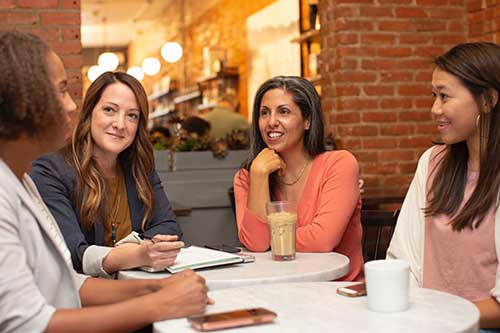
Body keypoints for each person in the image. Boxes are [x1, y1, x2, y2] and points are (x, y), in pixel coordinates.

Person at [0, 30, 209, 333]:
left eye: (132, 116)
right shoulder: (31, 178)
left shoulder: (21, 182)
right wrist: (158, 303)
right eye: (60, 91)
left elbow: (71, 282)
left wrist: (156, 288)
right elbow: (25, 322)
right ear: (22, 102)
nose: (71, 106)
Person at [387, 42, 500, 330]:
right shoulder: (433, 162)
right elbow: (403, 259)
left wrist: (440, 314)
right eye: (433, 95)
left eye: (445, 96)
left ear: (488, 100)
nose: (435, 109)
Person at [30, 71, 183, 278]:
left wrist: (139, 251)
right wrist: (138, 254)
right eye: (110, 110)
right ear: (89, 112)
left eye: (132, 116)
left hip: (138, 288)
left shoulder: (140, 167)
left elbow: (169, 228)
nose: (120, 124)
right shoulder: (50, 171)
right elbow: (72, 252)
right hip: (83, 299)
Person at [233, 76, 363, 281]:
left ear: (307, 121)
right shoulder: (247, 177)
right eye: (264, 113)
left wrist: (271, 240)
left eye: (283, 112)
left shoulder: (339, 164)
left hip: (338, 293)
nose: (271, 122)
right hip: (280, 291)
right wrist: (258, 176)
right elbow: (257, 245)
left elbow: (323, 240)